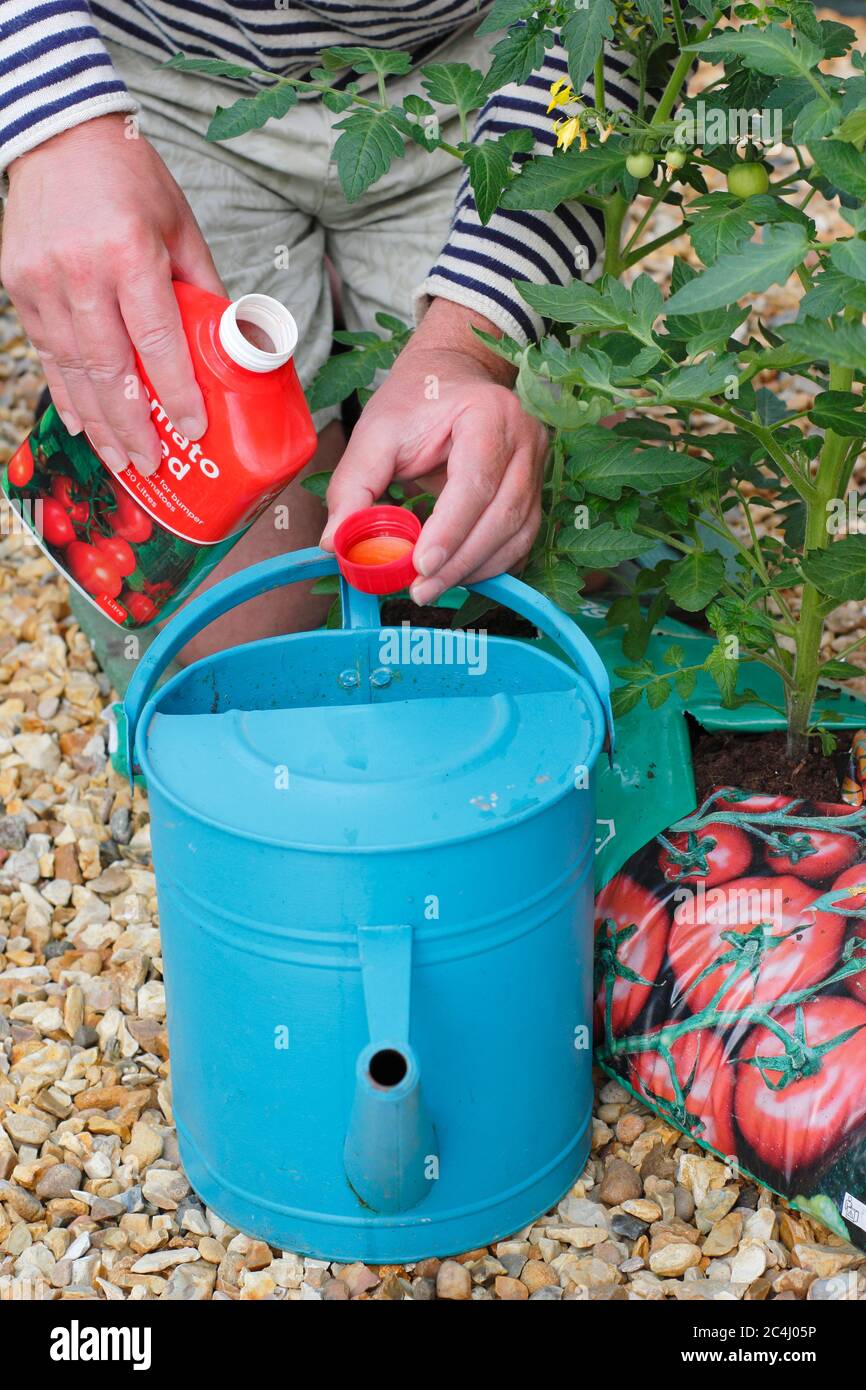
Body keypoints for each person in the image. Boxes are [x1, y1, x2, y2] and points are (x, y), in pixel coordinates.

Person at [1, 1, 643, 658]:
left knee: (549, 515)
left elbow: (608, 30)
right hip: (157, 88)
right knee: (228, 628)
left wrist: (468, 345)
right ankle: (329, 329)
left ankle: (350, 334)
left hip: (476, 79)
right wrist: (56, 126)